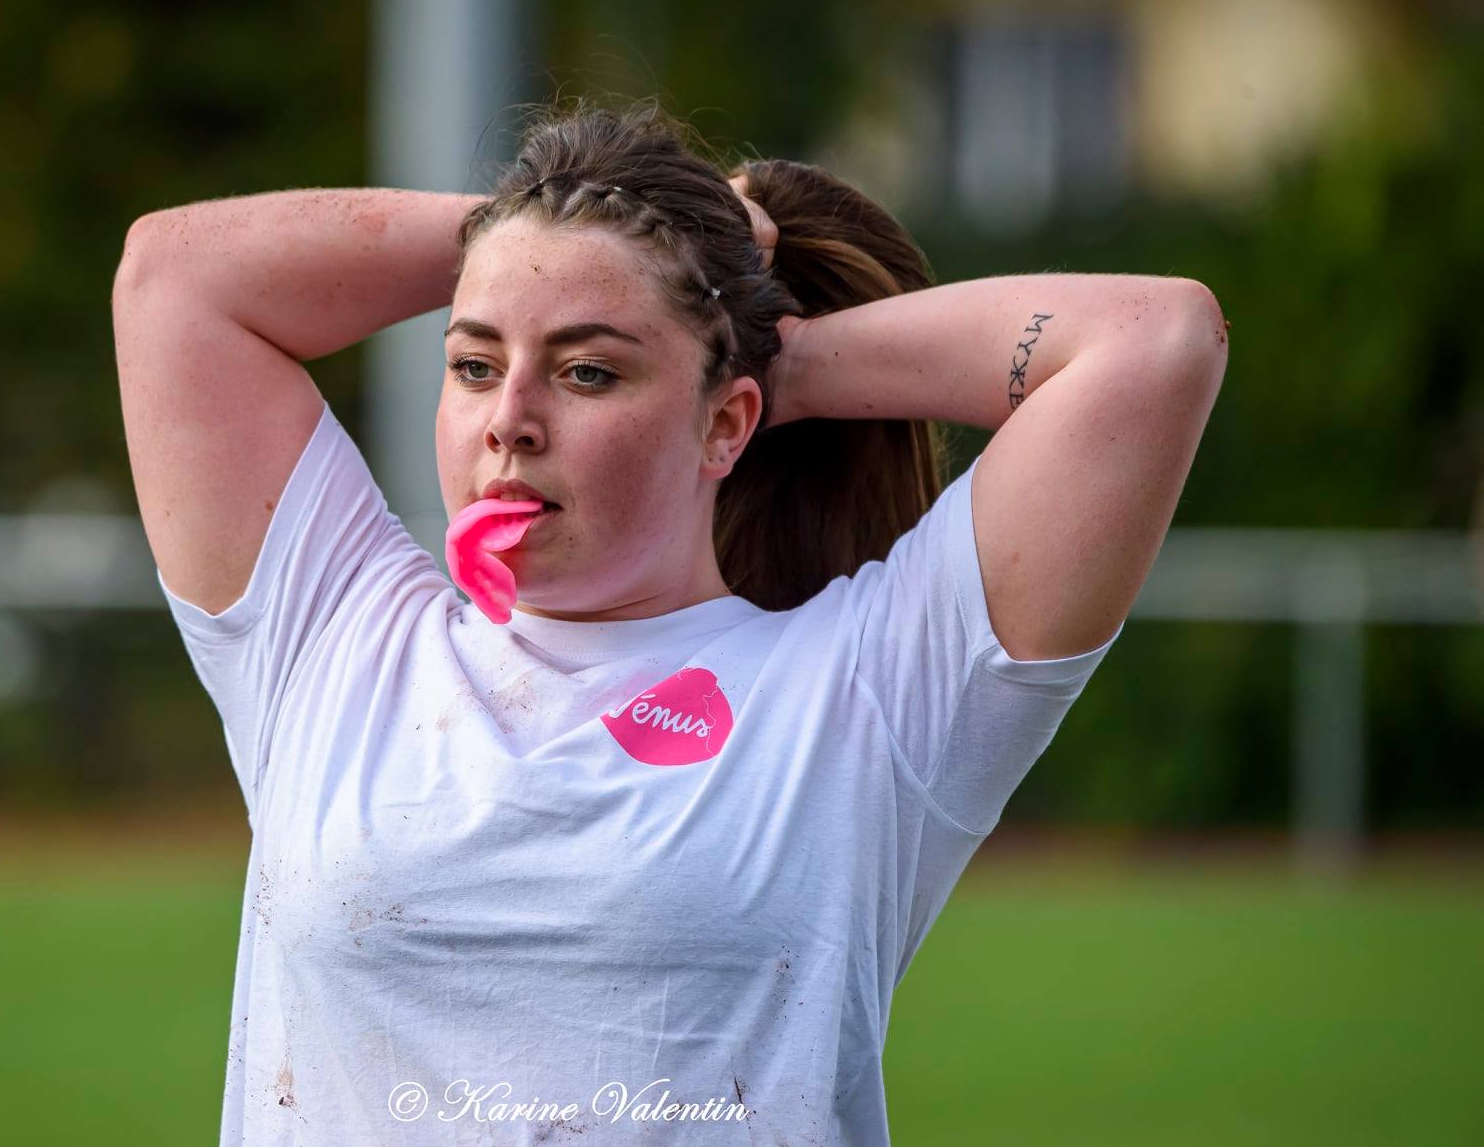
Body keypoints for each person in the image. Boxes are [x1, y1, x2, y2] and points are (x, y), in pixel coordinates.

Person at [112, 99, 1229, 1145]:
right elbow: (175, 279)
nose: (510, 421)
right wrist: (557, 234)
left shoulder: (866, 691)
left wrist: (755, 348)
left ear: (727, 427)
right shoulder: (329, 640)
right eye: (474, 363)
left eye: (588, 370)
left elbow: (1157, 342)